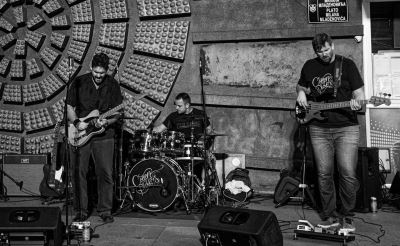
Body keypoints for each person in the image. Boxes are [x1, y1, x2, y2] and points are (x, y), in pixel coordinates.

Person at [296, 33, 365, 230]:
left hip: (346, 128)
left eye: (326, 49)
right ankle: (329, 213)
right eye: (320, 51)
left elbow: (360, 95)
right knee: (324, 173)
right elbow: (300, 86)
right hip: (318, 128)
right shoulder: (310, 66)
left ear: (332, 46)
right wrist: (301, 92)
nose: (324, 54)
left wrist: (356, 102)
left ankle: (347, 212)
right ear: (315, 51)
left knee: (347, 172)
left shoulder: (347, 65)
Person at [67, 52, 123, 223]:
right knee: (78, 173)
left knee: (105, 173)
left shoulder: (112, 84)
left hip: (104, 135)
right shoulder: (79, 82)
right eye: (96, 72)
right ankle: (81, 210)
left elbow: (118, 113)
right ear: (91, 67)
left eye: (102, 73)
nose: (98, 76)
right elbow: (69, 106)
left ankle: (105, 210)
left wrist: (106, 122)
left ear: (107, 70)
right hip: (80, 133)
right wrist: (77, 122)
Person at [153, 92, 212, 181]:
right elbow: (159, 129)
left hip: (196, 151)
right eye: (176, 105)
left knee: (199, 175)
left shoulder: (200, 114)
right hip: (178, 152)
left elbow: (209, 130)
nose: (176, 108)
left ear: (187, 105)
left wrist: (204, 141)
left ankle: (199, 189)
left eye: (179, 106)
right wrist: (147, 129)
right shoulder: (173, 116)